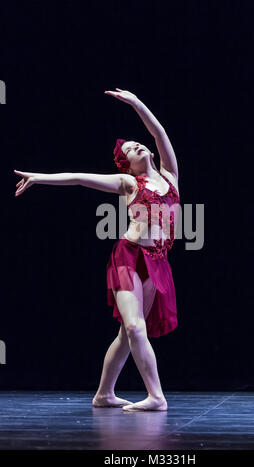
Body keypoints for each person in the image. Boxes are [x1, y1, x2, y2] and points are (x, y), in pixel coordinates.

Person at [14, 88, 180, 412]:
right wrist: (39, 177)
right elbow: (79, 178)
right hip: (128, 258)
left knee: (126, 333)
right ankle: (156, 396)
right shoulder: (130, 184)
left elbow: (158, 132)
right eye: (131, 148)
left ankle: (104, 394)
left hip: (156, 261)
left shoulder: (171, 176)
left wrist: (135, 103)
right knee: (134, 327)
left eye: (137, 143)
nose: (139, 146)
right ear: (128, 166)